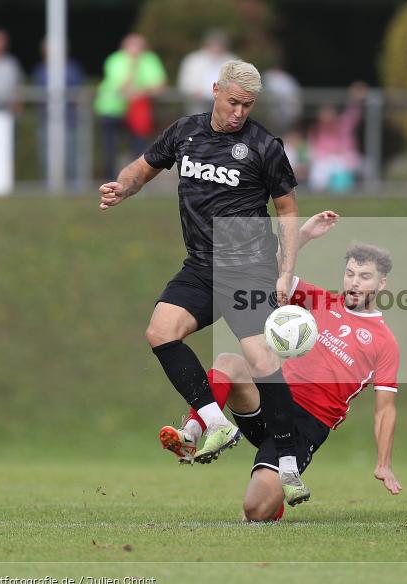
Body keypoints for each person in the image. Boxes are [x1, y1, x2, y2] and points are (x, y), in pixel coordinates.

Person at [98, 60, 311, 507]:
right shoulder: (184, 133)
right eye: (233, 102)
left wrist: (286, 270)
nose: (238, 113)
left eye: (247, 106)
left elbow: (288, 210)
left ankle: (289, 465)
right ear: (215, 90)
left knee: (262, 360)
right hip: (200, 265)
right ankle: (215, 422)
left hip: (248, 268)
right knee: (160, 331)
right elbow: (143, 167)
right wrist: (122, 187)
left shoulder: (263, 146)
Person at [160, 213, 402, 522]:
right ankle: (193, 433)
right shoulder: (319, 301)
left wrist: (383, 463)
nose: (354, 282)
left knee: (254, 511)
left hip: (305, 425)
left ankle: (273, 500)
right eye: (350, 273)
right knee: (229, 363)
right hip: (274, 401)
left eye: (364, 276)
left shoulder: (384, 342)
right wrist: (304, 235)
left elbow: (385, 410)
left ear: (382, 283)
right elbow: (268, 271)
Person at [94, 33, 167, 179]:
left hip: (137, 112)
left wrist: (139, 92)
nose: (136, 49)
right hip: (112, 110)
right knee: (110, 148)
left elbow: (159, 86)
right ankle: (109, 180)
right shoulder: (115, 60)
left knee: (139, 148)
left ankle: (136, 179)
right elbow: (122, 87)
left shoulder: (149, 59)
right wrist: (133, 66)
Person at [31, 39, 85, 185]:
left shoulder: (72, 69)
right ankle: (48, 185)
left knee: (71, 155)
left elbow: (78, 91)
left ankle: (73, 187)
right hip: (46, 120)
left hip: (69, 120)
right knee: (46, 155)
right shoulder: (40, 70)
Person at [307, 82, 367, 193]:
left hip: (342, 158)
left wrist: (355, 99)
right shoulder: (316, 129)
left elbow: (353, 113)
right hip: (324, 160)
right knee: (319, 173)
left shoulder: (343, 124)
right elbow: (314, 149)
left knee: (346, 169)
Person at [177, 30, 238, 115]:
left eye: (220, 45)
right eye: (213, 44)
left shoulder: (233, 60)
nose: (216, 48)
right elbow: (185, 83)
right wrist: (194, 92)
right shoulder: (193, 60)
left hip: (226, 106)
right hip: (198, 105)